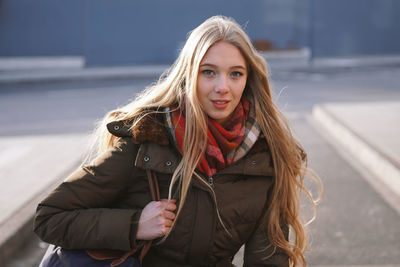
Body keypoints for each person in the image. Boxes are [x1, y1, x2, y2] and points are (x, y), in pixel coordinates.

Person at [34, 15, 321, 267]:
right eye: (208, 72)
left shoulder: (266, 157)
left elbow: (268, 259)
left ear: (248, 79)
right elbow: (50, 217)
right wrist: (134, 225)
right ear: (189, 75)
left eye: (236, 74)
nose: (223, 87)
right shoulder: (146, 140)